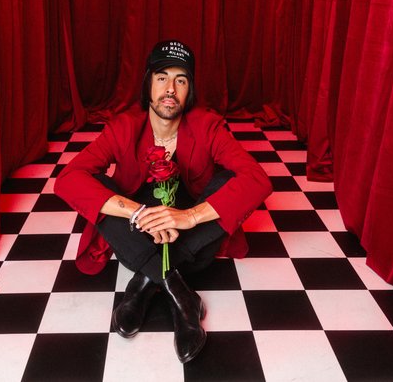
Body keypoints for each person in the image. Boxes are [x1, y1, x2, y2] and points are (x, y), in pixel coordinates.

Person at [54, 40, 272, 363]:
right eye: (161, 78)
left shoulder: (207, 125)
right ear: (148, 85)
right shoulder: (124, 127)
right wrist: (137, 213)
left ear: (189, 90)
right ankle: (183, 299)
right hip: (137, 237)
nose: (170, 89)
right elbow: (67, 179)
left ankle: (142, 285)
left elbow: (258, 179)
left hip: (192, 241)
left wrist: (189, 217)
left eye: (180, 80)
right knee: (98, 186)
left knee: (229, 180)